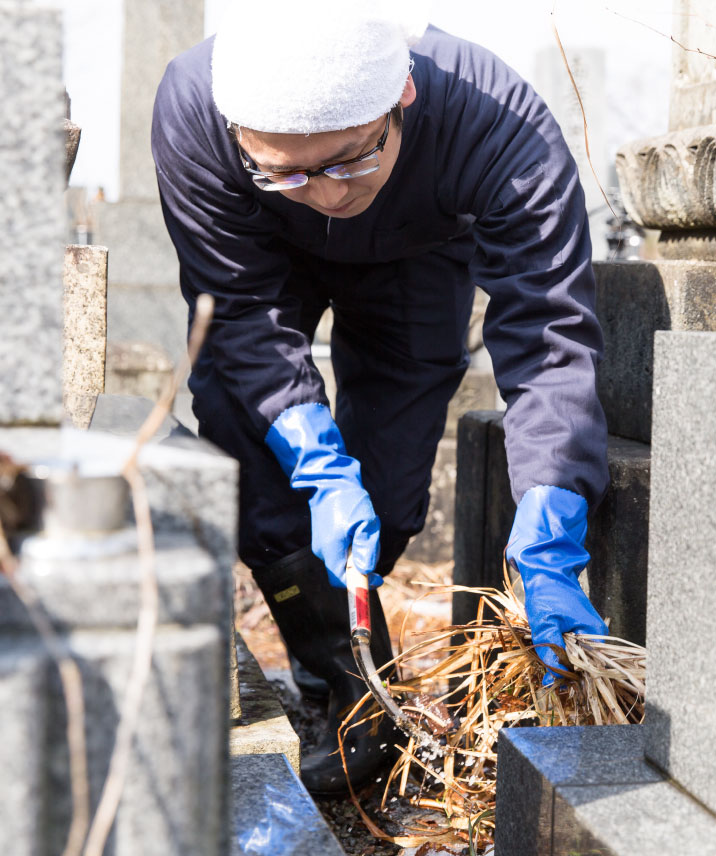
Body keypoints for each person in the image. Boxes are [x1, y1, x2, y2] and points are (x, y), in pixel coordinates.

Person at [151, 1, 610, 795]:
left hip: (418, 258)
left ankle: (350, 621)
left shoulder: (500, 128)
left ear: (401, 96)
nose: (325, 195)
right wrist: (314, 464)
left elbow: (548, 332)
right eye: (287, 168)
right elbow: (236, 309)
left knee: (390, 491)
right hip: (265, 265)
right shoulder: (193, 108)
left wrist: (555, 511)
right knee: (248, 439)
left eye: (347, 162)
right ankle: (340, 683)